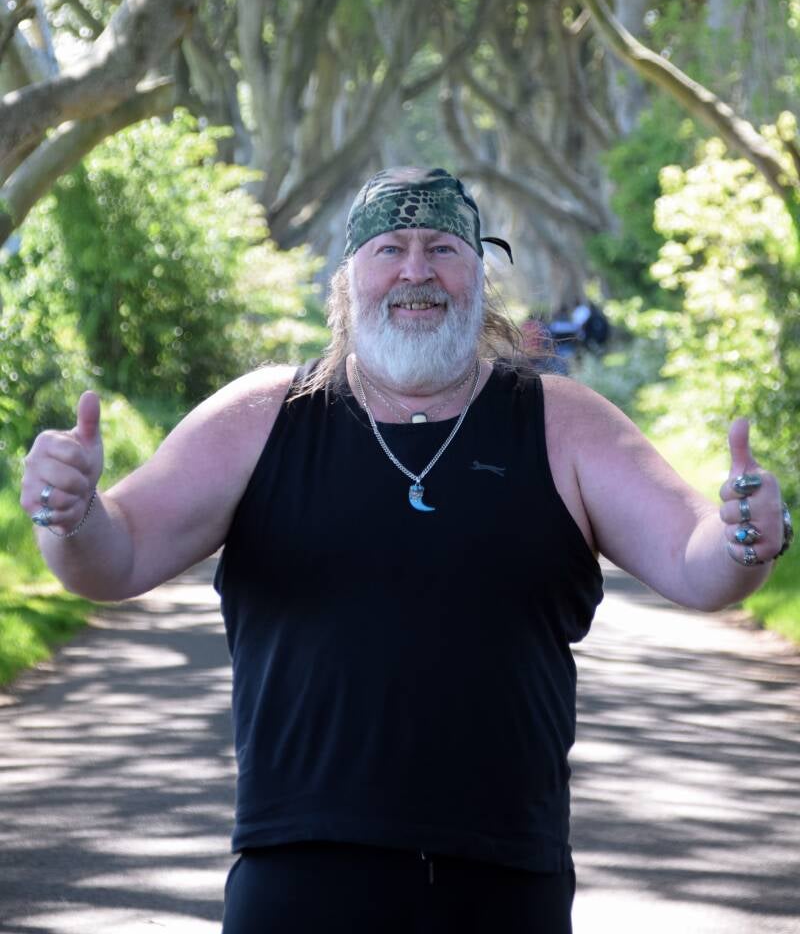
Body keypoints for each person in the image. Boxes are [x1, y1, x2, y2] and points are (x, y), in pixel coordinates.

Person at [20, 165, 793, 934]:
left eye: (443, 248)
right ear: (347, 279)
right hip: (298, 871)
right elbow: (112, 560)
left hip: (505, 875)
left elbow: (699, 564)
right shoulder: (262, 417)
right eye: (390, 247)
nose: (416, 270)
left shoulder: (562, 422)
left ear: (480, 276)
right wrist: (72, 511)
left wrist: (744, 534)